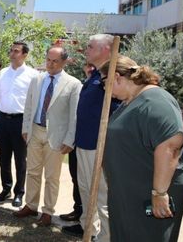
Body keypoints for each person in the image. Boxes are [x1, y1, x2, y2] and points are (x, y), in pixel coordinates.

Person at [99, 55, 183, 242]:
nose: (104, 89)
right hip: (129, 191)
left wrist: (159, 193)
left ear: (116, 77)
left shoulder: (156, 101)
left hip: (151, 192)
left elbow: (170, 147)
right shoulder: (128, 102)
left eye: (104, 83)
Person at [14, 46, 82, 227]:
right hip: (35, 131)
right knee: (33, 172)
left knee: (52, 177)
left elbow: (75, 115)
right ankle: (31, 205)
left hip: (57, 136)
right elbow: (29, 106)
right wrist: (25, 128)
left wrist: (70, 139)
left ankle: (48, 212)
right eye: (48, 60)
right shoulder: (37, 79)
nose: (50, 64)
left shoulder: (73, 84)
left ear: (64, 62)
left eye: (55, 61)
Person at [62, 34, 119, 241]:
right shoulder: (96, 74)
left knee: (102, 194)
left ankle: (106, 236)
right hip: (84, 143)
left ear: (106, 49)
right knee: (85, 189)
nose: (86, 49)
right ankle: (89, 228)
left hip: (100, 145)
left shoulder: (114, 74)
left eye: (90, 46)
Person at [0, 44, 38, 208]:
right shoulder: (3, 73)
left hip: (21, 121)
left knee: (20, 159)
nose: (12, 54)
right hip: (3, 119)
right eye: (11, 50)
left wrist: (29, 124)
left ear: (25, 54)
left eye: (16, 51)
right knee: (4, 158)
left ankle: (19, 192)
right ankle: (6, 188)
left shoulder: (33, 75)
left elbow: (34, 101)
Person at [60, 62, 96, 223]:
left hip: (90, 143)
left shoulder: (99, 85)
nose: (89, 69)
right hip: (78, 140)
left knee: (89, 183)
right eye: (87, 65)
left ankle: (86, 220)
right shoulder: (87, 83)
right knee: (77, 179)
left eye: (93, 67)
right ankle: (79, 211)